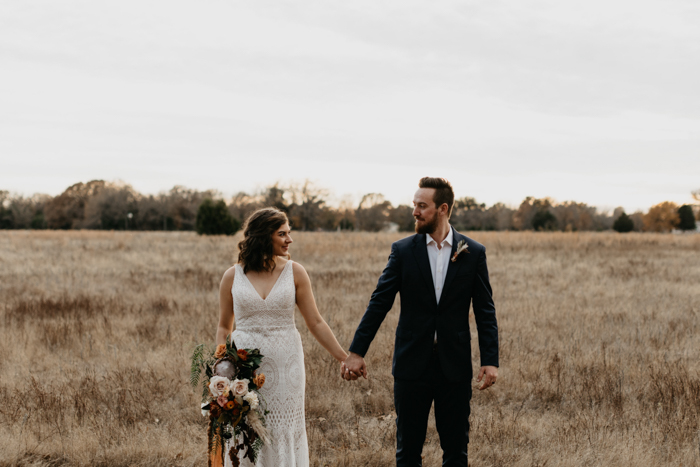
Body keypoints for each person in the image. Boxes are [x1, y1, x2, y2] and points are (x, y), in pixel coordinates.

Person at [343, 177, 499, 467]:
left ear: (442, 208)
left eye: (421, 206)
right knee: (408, 452)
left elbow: (485, 310)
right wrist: (356, 352)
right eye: (414, 205)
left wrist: (490, 360)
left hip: (454, 367)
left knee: (456, 452)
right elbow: (379, 302)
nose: (414, 212)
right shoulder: (403, 251)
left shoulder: (473, 252)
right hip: (411, 366)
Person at [216, 207, 348, 466]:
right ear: (264, 236)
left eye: (289, 233)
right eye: (282, 234)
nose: (290, 239)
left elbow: (316, 322)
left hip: (287, 367)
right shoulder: (233, 276)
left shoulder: (295, 272)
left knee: (283, 428)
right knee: (248, 428)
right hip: (245, 369)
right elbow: (223, 326)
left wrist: (344, 357)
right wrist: (223, 367)